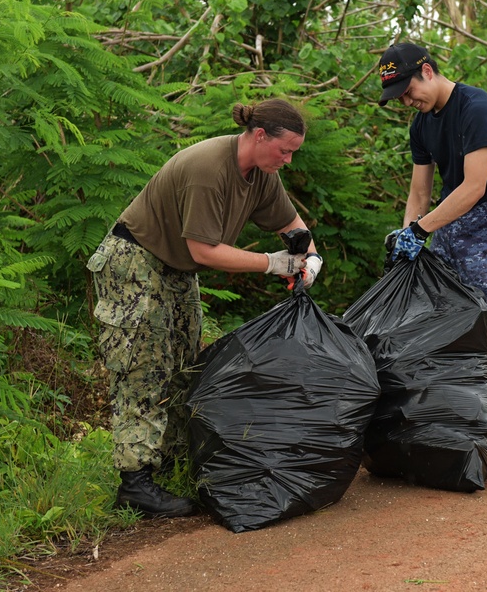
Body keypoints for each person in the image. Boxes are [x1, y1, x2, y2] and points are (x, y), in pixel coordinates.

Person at [86, 98, 323, 517]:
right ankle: (135, 483)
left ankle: (172, 461)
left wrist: (310, 259)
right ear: (259, 135)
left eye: (293, 153)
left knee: (185, 365)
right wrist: (273, 264)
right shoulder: (209, 169)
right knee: (145, 368)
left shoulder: (263, 174)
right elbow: (206, 250)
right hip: (135, 261)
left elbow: (293, 226)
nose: (287, 160)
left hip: (176, 269)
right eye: (284, 150)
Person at [377, 42, 487, 475]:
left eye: (408, 90)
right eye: (399, 97)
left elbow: (472, 187)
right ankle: (474, 433)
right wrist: (406, 236)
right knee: (454, 335)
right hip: (446, 231)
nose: (407, 101)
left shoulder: (477, 108)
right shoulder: (421, 125)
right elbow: (419, 194)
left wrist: (420, 230)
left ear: (427, 71)